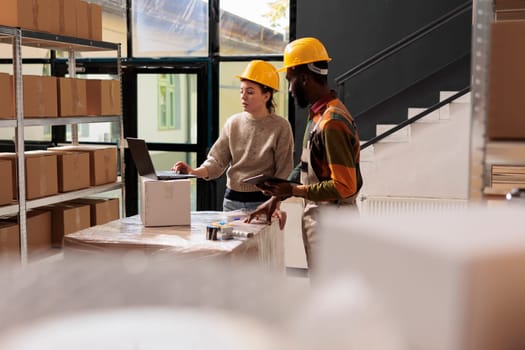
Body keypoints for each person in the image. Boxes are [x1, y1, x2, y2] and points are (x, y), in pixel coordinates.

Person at [246, 37, 363, 270]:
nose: (289, 89)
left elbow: (344, 186)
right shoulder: (318, 115)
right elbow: (305, 165)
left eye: (290, 80)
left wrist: (293, 190)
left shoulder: (332, 122)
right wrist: (276, 198)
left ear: (304, 78)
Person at [172, 60, 294, 212]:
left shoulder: (281, 126)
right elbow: (217, 161)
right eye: (241, 91)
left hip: (263, 201)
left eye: (250, 92)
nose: (243, 97)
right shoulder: (233, 123)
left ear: (266, 96)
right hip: (231, 200)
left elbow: (284, 169)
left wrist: (275, 202)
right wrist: (193, 172)